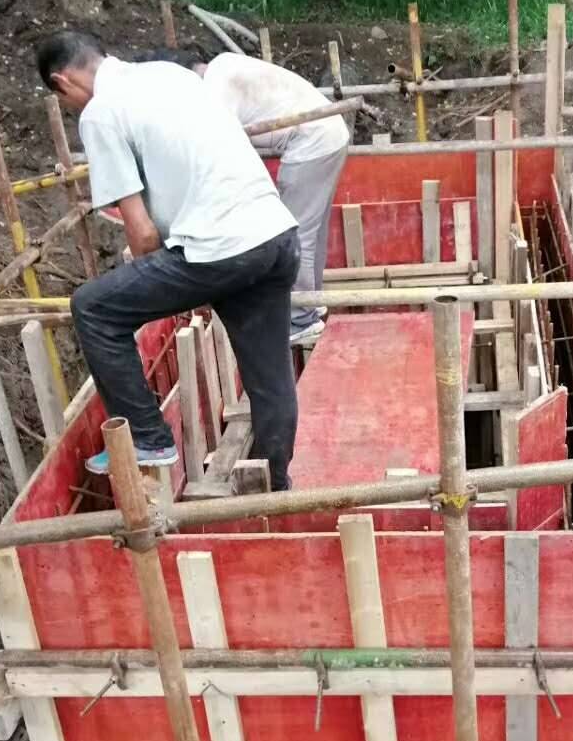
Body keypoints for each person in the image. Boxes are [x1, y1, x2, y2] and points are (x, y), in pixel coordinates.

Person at [36, 30, 301, 489]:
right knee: (270, 379)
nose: (73, 108)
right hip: (275, 237)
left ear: (62, 83)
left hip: (219, 249)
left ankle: (146, 437)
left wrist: (162, 285)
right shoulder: (169, 76)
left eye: (65, 102)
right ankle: (276, 487)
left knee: (94, 307)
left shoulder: (100, 112)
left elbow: (141, 233)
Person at [137, 46, 348, 347]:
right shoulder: (224, 65)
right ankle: (311, 304)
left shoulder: (213, 92)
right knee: (312, 228)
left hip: (312, 141)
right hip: (327, 133)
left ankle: (300, 319)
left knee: (298, 231)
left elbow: (213, 154)